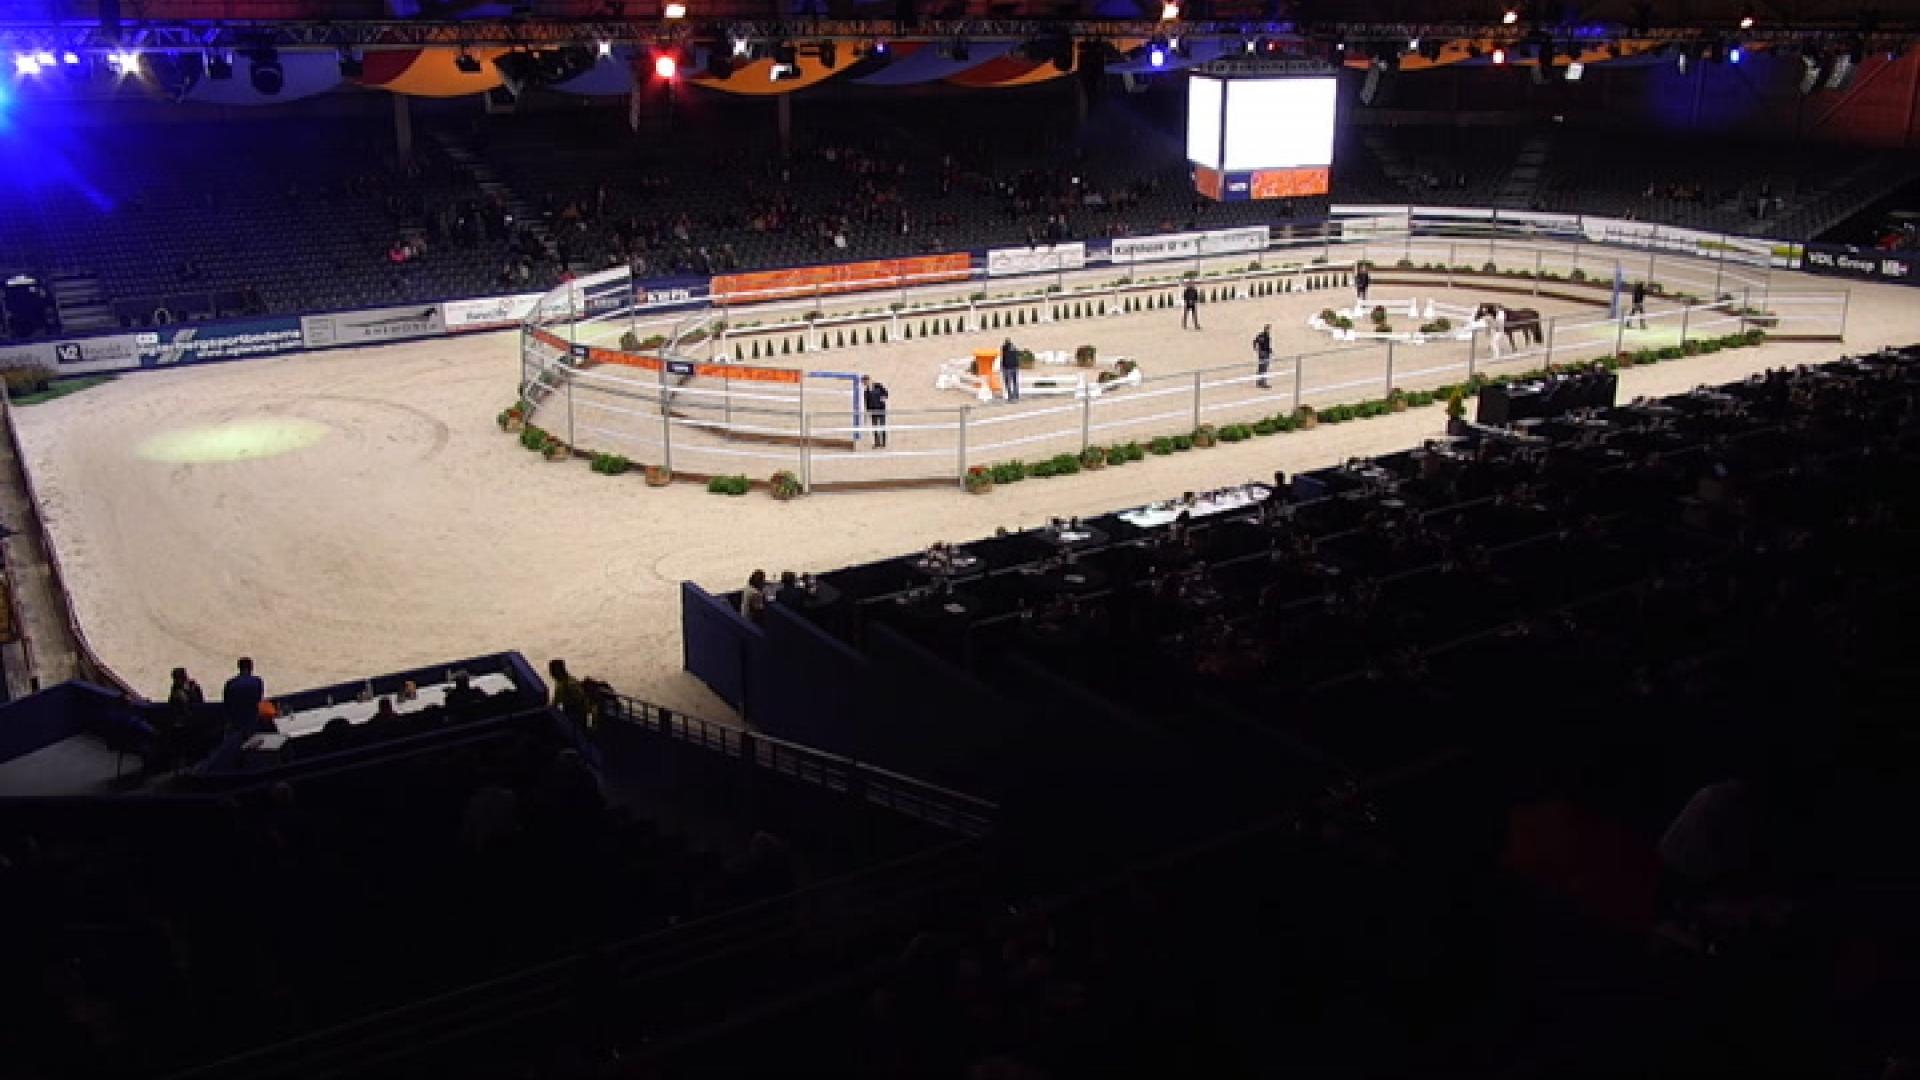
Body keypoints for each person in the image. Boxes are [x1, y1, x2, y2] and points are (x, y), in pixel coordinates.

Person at [548, 658, 594, 730]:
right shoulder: (568, 680)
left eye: (552, 670)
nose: (550, 673)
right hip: (581, 712)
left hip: (576, 714)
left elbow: (555, 704)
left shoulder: (565, 685)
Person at [222, 657, 264, 737]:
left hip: (235, 722)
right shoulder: (257, 681)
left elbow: (226, 704)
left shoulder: (230, 683)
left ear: (239, 667)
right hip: (252, 722)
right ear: (251, 667)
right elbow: (259, 700)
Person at [862, 376, 890, 448]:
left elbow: (886, 393)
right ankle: (877, 443)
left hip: (881, 409)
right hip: (873, 411)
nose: (865, 383)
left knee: (882, 426)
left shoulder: (878, 385)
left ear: (869, 380)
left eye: (866, 381)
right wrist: (868, 412)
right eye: (864, 382)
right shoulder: (866, 391)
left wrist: (884, 397)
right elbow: (867, 403)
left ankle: (883, 443)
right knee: (875, 428)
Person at [1000, 338, 1021, 402]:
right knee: (1015, 382)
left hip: (1008, 368)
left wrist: (1002, 367)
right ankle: (1016, 395)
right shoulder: (1014, 348)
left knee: (1008, 382)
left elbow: (1003, 358)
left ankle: (1010, 396)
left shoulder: (1004, 348)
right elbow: (1018, 355)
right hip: (1015, 367)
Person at [1252, 325, 1274, 389]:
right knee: (1263, 368)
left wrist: (1270, 350)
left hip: (1264, 353)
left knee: (1262, 368)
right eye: (1268, 329)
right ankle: (1262, 383)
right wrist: (1256, 348)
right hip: (1263, 354)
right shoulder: (1263, 336)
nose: (1269, 330)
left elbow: (1256, 341)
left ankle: (1259, 382)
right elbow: (1255, 341)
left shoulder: (1264, 335)